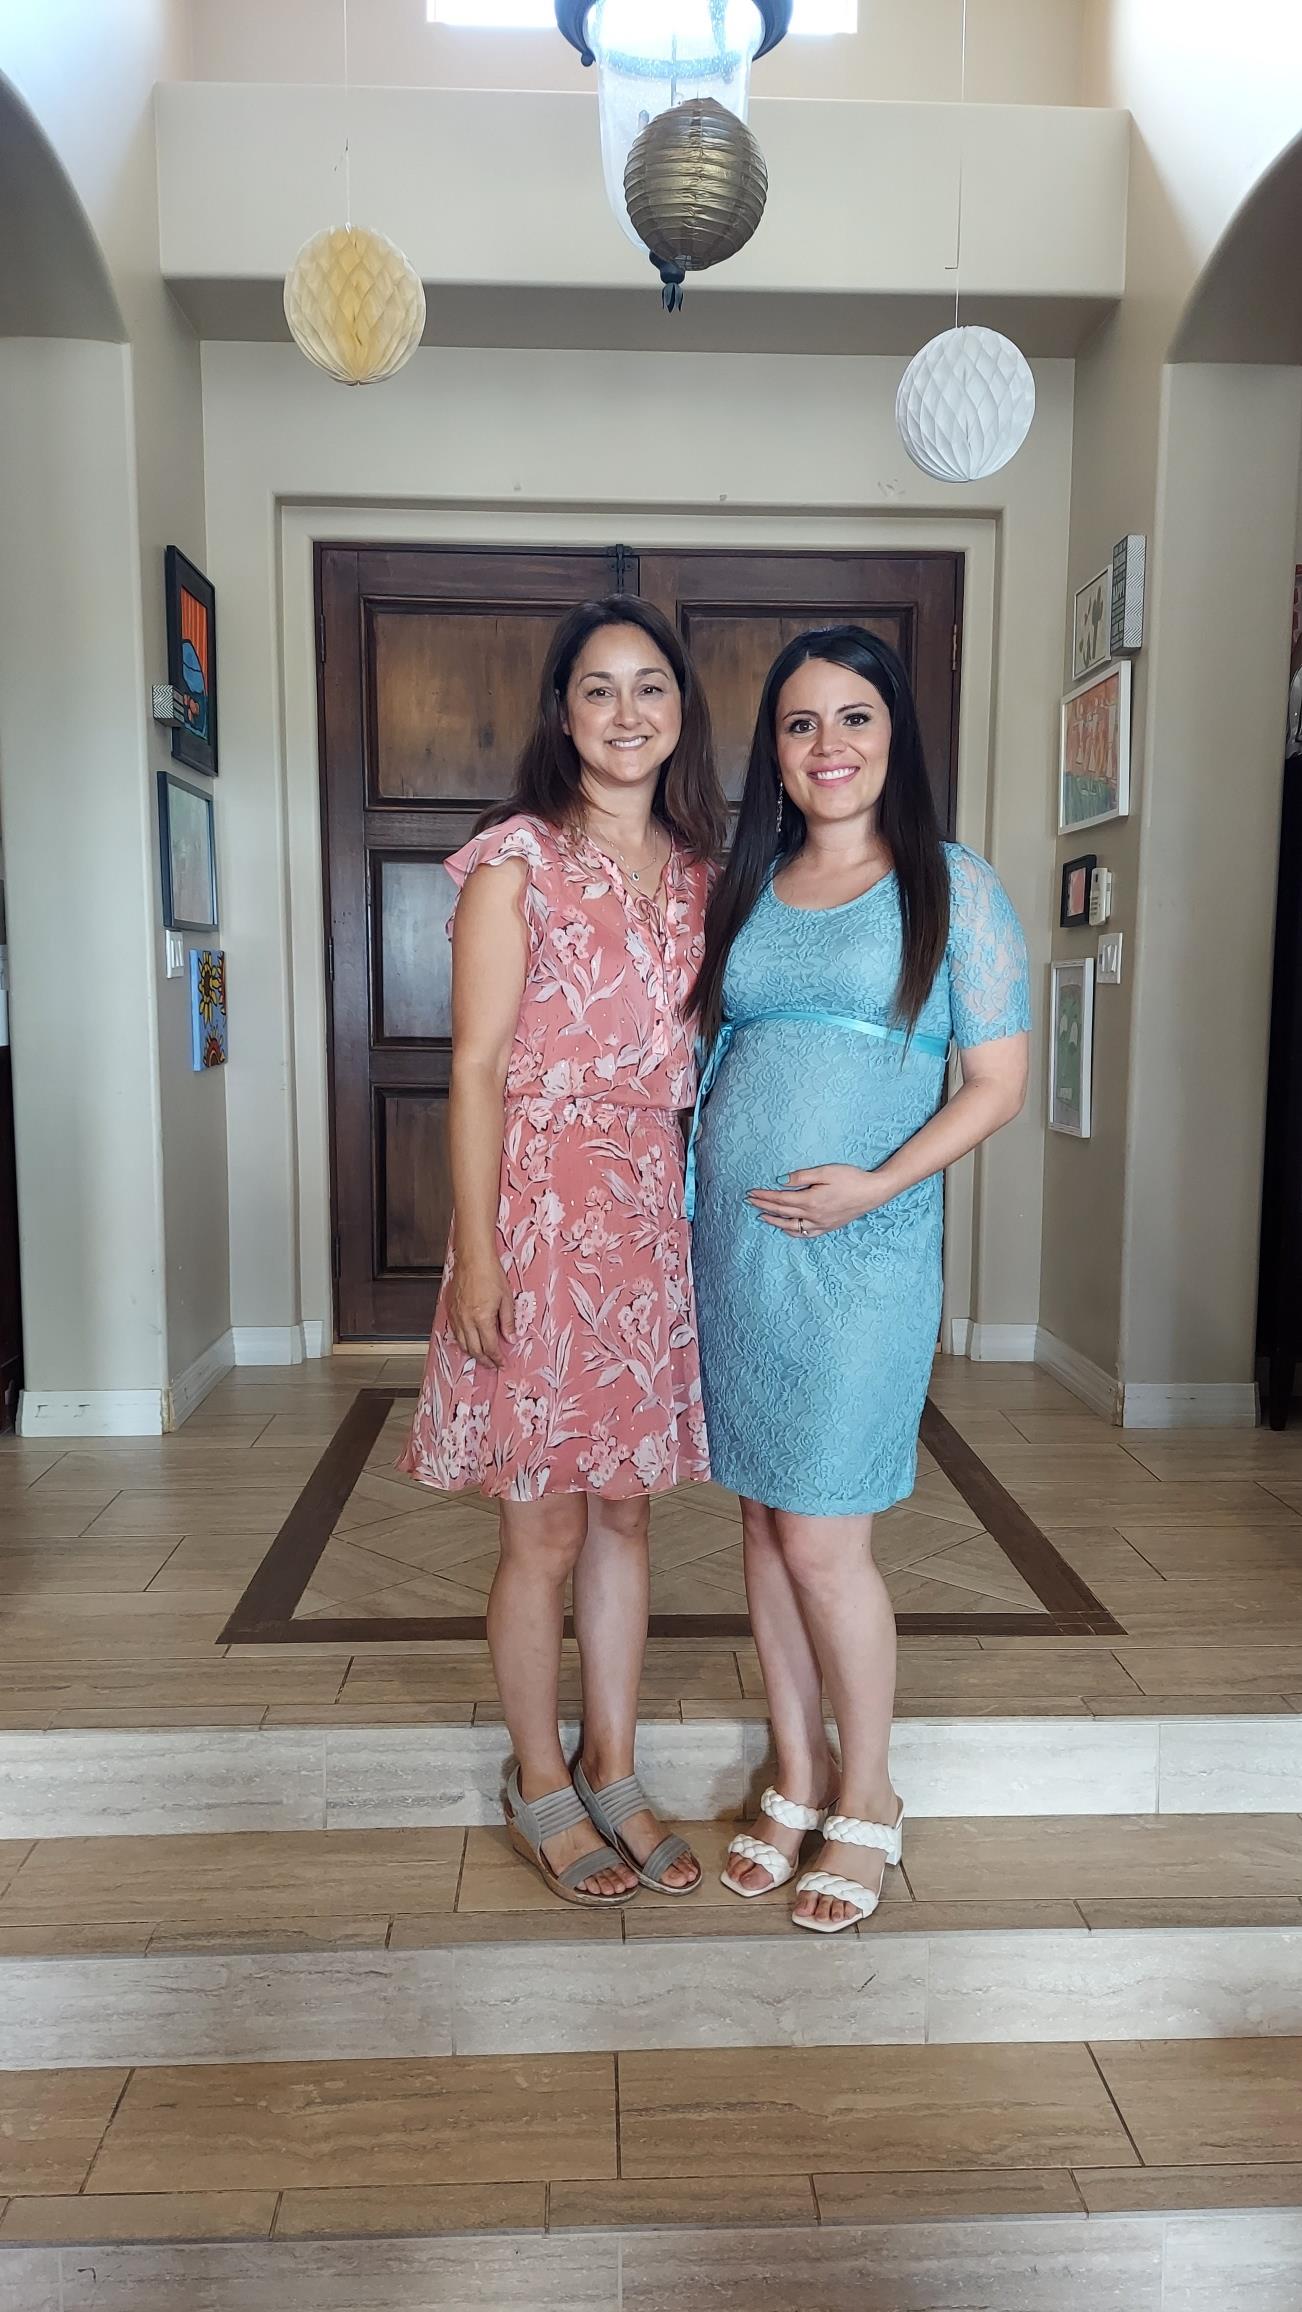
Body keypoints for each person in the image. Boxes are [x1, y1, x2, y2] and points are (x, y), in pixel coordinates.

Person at [686, 626, 1030, 1934]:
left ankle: (869, 1792)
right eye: (798, 724)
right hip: (737, 1254)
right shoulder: (751, 880)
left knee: (827, 1535)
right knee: (764, 1526)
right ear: (772, 751)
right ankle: (795, 1771)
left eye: (854, 719)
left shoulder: (954, 887)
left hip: (862, 1254)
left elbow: (992, 1085)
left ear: (895, 738)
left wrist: (875, 1186)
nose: (827, 747)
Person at [401, 597, 725, 1908]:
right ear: (560, 714)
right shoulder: (511, 864)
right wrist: (475, 1257)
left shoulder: (706, 872)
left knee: (626, 1514)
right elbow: (473, 1070)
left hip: (648, 1219)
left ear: (679, 714)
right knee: (538, 1530)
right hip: (532, 1217)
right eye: (599, 690)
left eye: (651, 688)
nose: (627, 712)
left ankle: (617, 1764)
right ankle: (537, 1775)